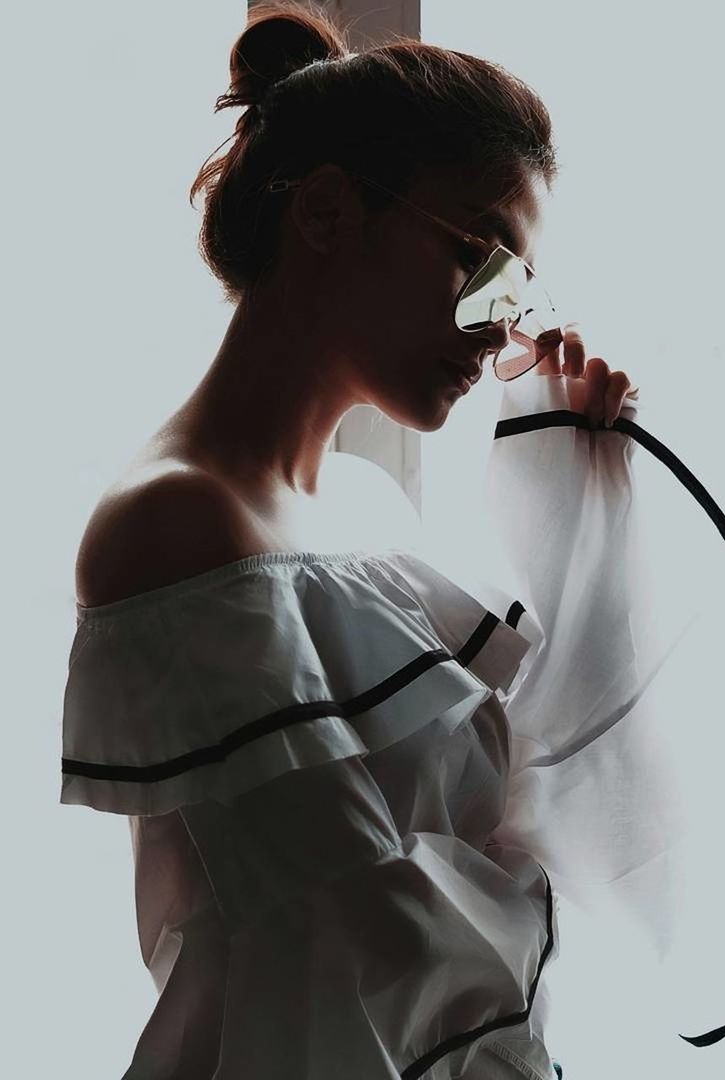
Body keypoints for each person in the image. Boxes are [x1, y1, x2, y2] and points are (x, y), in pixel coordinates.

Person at [62, 4, 665, 1078]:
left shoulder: (363, 512)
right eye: (482, 256)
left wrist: (580, 501)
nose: (501, 322)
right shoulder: (175, 526)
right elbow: (381, 944)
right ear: (332, 212)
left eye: (518, 287)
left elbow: (564, 817)